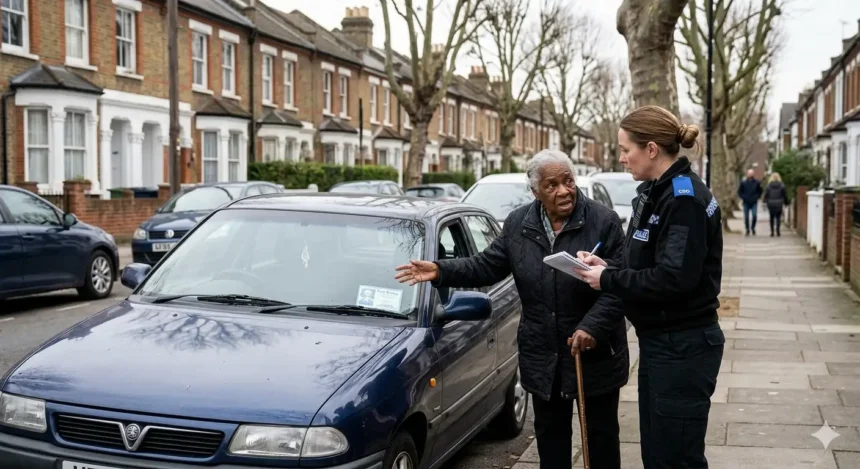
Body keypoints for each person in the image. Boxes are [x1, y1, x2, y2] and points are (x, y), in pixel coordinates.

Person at [394, 150, 629, 469]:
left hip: (594, 354)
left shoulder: (605, 221)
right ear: (535, 192)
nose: (563, 190)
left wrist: (592, 327)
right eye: (552, 185)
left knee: (599, 440)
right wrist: (440, 270)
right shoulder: (520, 223)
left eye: (568, 181)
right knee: (551, 439)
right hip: (543, 353)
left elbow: (620, 284)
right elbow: (487, 265)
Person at [573, 105, 724, 469]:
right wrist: (606, 266)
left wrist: (606, 279)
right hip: (664, 345)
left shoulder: (683, 199)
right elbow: (653, 264)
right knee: (658, 455)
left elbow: (674, 279)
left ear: (652, 149)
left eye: (627, 149)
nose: (622, 158)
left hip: (682, 349)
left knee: (675, 459)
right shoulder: (659, 192)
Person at [737, 168, 763, 236]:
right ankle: (747, 229)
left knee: (754, 215)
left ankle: (753, 228)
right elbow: (739, 192)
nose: (750, 174)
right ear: (747, 174)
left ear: (753, 174)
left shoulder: (757, 182)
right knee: (746, 217)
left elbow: (760, 191)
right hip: (746, 202)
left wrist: (757, 197)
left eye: (751, 173)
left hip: (754, 202)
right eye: (749, 173)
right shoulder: (743, 182)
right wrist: (744, 197)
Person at [763, 172, 787, 237]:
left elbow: (766, 194)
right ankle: (778, 231)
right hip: (779, 203)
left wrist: (764, 201)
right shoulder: (782, 185)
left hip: (771, 203)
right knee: (778, 218)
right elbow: (784, 195)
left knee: (771, 217)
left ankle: (772, 231)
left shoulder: (769, 186)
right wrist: (786, 202)